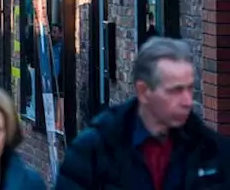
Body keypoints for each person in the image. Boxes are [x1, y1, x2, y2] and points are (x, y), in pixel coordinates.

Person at [55, 37, 230, 190]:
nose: (187, 101)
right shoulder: (94, 151)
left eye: (189, 88)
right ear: (144, 91)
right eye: (175, 90)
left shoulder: (212, 152)